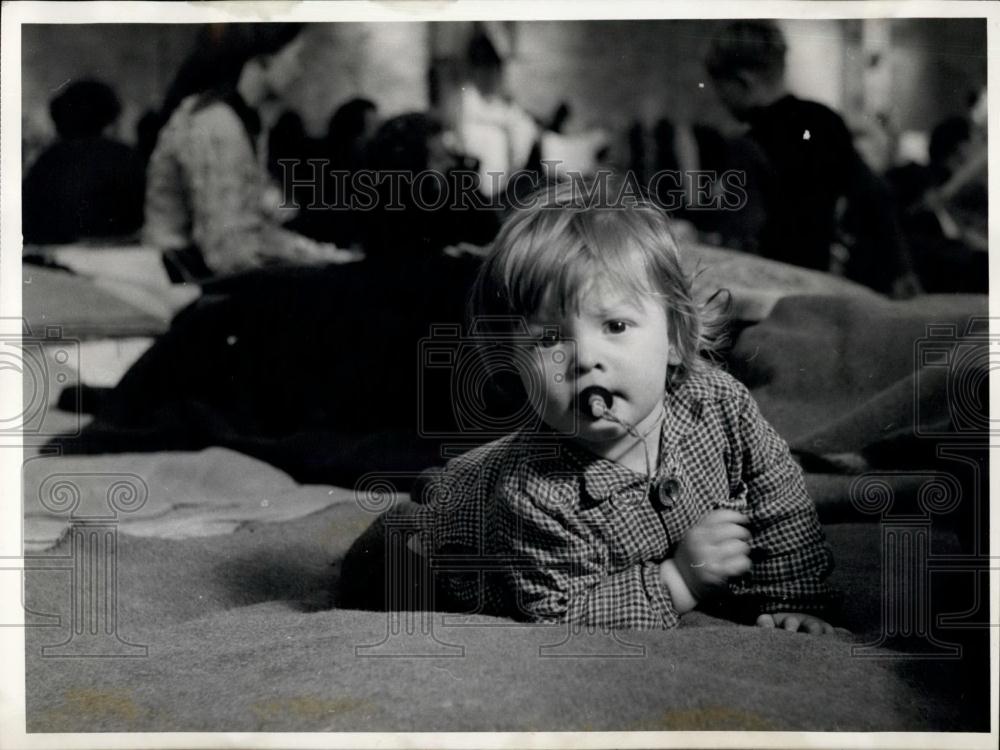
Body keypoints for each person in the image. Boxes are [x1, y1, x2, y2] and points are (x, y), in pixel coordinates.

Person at [399, 181, 838, 631]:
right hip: (447, 546)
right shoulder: (534, 495)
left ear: (674, 337)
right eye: (549, 338)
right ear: (512, 360)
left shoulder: (719, 405)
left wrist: (792, 596)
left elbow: (779, 497)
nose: (586, 358)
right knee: (404, 552)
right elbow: (560, 613)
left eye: (615, 325)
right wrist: (679, 580)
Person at [705, 21, 918, 296]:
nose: (718, 97)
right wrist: (903, 270)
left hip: (775, 291)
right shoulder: (826, 120)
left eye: (720, 87)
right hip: (826, 282)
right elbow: (876, 194)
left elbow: (741, 239)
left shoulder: (746, 145)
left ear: (743, 81)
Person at [143, 23, 361, 280]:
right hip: (176, 279)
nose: (299, 69)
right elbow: (227, 251)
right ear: (263, 58)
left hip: (196, 272)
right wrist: (317, 260)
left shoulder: (244, 120)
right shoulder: (217, 123)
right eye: (296, 56)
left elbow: (250, 228)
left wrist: (322, 256)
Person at [23, 79, 145, 244]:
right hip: (116, 257)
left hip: (49, 257)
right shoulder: (123, 157)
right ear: (109, 117)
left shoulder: (46, 161)